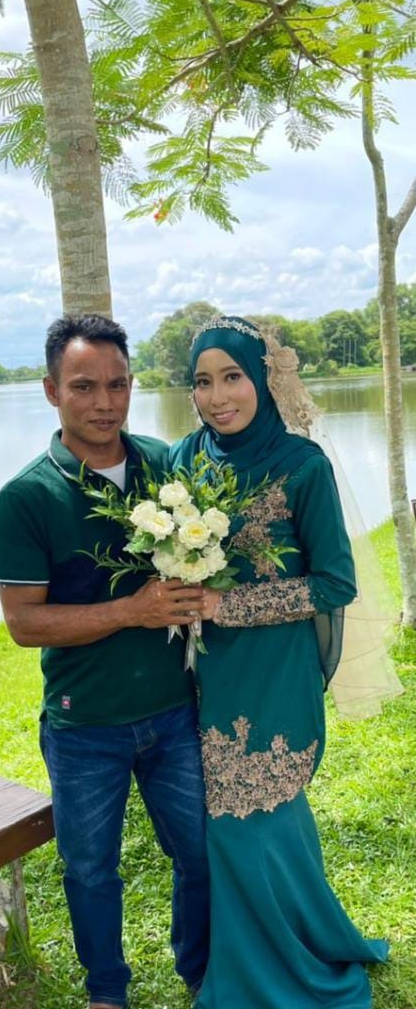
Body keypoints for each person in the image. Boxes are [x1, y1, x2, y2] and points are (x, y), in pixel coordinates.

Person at [0, 313, 210, 1009]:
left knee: (201, 853)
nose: (104, 402)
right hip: (84, 724)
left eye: (117, 384)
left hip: (175, 713)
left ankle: (203, 973)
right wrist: (129, 611)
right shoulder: (25, 497)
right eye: (84, 386)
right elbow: (24, 624)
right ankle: (107, 994)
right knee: (90, 869)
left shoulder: (165, 467)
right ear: (51, 390)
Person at [170, 315, 389, 1009]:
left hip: (275, 673)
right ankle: (279, 941)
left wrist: (226, 606)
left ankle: (277, 970)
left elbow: (335, 584)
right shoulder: (184, 460)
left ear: (265, 379)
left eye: (232, 376)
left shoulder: (303, 465)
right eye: (203, 381)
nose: (217, 397)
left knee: (256, 816)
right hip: (203, 673)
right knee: (226, 824)